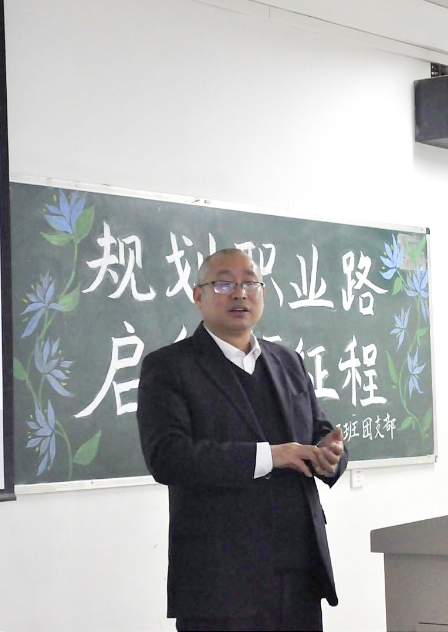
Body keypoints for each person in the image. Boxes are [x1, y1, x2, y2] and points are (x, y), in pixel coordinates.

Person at [137, 247, 348, 632]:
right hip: (220, 583)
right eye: (223, 284)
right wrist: (270, 456)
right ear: (197, 295)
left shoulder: (287, 361)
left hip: (299, 575)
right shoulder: (170, 367)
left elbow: (317, 430)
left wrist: (330, 455)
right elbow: (167, 457)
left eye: (250, 283)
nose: (239, 293)